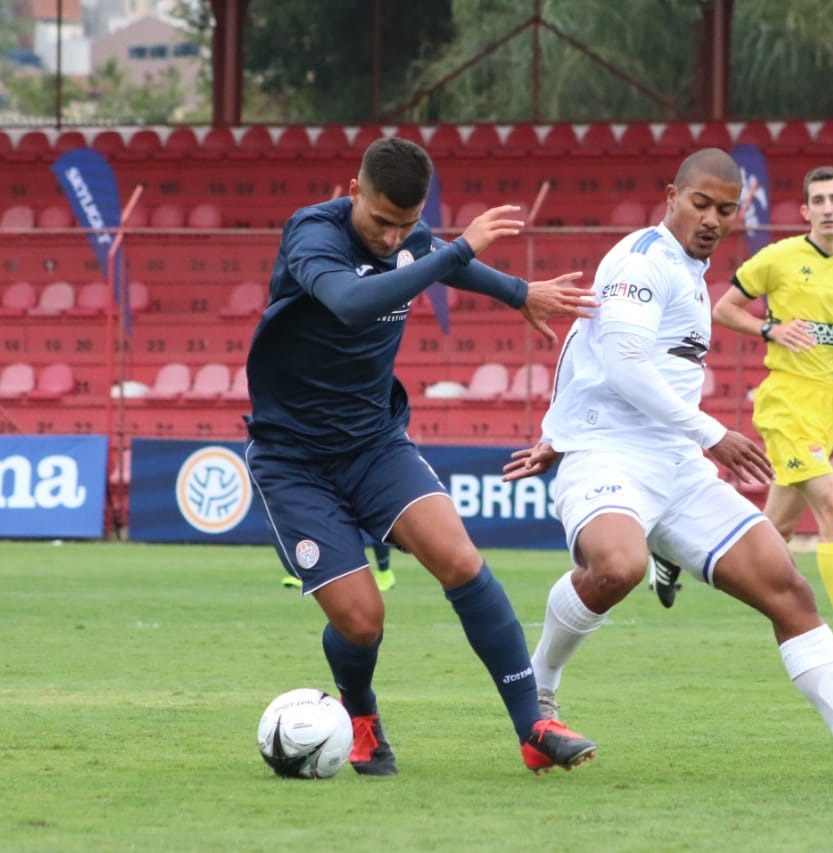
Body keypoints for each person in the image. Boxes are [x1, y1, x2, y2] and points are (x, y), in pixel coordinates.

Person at [503, 149, 833, 782]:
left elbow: (592, 348)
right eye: (700, 203)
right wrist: (709, 433)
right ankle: (539, 694)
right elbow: (624, 364)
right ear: (671, 196)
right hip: (609, 456)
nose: (712, 218)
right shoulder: (643, 260)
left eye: (726, 209)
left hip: (675, 465)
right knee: (618, 567)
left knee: (787, 588)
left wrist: (563, 421)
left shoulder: (689, 270)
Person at [242, 136, 598, 776]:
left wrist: (520, 293)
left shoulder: (413, 239)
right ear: (352, 192)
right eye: (380, 220)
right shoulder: (312, 236)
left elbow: (442, 261)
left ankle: (532, 726)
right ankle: (362, 717)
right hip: (292, 459)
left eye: (405, 224)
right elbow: (352, 305)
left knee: (459, 559)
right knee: (362, 622)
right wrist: (455, 247)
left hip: (373, 444)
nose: (390, 236)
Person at [696, 164, 833, 672]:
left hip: (827, 403)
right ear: (806, 210)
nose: (829, 208)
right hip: (786, 402)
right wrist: (770, 328)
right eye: (819, 200)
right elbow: (722, 308)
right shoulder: (780, 257)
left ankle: (680, 554)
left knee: (775, 533)